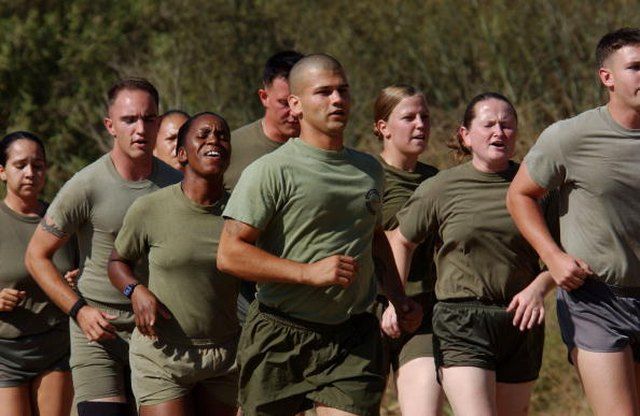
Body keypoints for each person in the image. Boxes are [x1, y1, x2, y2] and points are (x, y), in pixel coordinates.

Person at [217, 54, 421, 416]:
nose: (337, 99)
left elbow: (373, 237)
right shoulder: (270, 171)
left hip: (352, 336)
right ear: (295, 104)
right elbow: (230, 254)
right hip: (280, 334)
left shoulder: (368, 170)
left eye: (342, 90)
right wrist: (307, 272)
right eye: (323, 92)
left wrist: (396, 294)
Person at [389, 92, 555, 416]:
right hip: (461, 319)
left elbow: (563, 259)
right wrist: (397, 299)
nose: (499, 132)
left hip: (521, 320)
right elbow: (401, 240)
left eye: (507, 125)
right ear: (466, 135)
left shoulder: (536, 188)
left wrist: (539, 288)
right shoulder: (442, 187)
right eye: (489, 124)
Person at [25, 78, 183, 416]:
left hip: (160, 332)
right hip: (99, 332)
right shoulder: (85, 186)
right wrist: (78, 310)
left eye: (149, 118)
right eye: (129, 120)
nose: (140, 128)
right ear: (110, 126)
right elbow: (36, 256)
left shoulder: (177, 184)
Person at [507, 27, 640, 416]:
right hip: (596, 298)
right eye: (635, 67)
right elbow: (519, 194)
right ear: (607, 78)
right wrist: (552, 256)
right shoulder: (570, 137)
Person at [108, 112, 239, 416]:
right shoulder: (150, 208)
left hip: (224, 353)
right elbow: (117, 262)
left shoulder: (241, 210)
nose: (214, 140)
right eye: (203, 134)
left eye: (222, 135)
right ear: (181, 154)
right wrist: (135, 290)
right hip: (162, 353)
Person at [372, 85, 443, 416]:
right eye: (409, 117)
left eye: (425, 117)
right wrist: (389, 300)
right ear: (383, 127)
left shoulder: (438, 181)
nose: (420, 125)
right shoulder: (363, 176)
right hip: (366, 314)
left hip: (421, 314)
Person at [0, 131, 78, 416]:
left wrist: (74, 282)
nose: (30, 172)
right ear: (2, 171)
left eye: (38, 165)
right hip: (4, 352)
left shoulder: (63, 220)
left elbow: (84, 270)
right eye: (20, 165)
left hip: (55, 346)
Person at [224, 50, 304, 323]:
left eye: (298, 102)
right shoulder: (230, 151)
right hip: (244, 295)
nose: (293, 112)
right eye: (284, 102)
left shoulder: (321, 151)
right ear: (263, 97)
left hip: (307, 290)